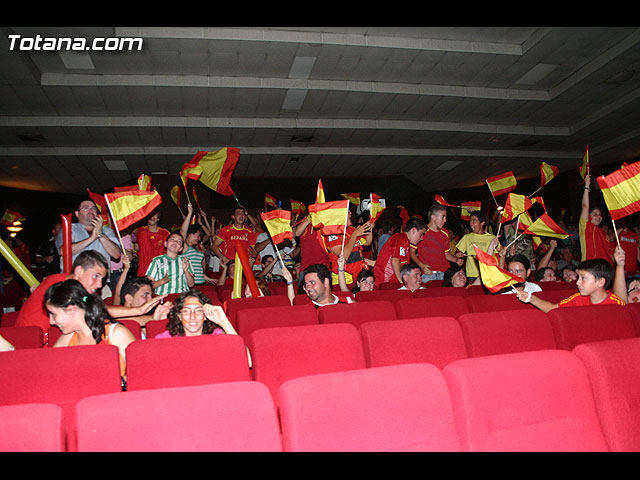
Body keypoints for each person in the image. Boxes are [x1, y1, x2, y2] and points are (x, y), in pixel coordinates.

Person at [15, 250, 165, 340]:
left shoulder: (77, 291)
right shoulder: (58, 285)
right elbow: (100, 311)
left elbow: (103, 316)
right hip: (30, 345)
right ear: (79, 271)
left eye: (102, 279)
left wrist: (151, 319)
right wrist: (139, 311)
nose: (99, 285)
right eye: (96, 276)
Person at [44, 279, 136, 382]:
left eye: (53, 314)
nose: (51, 322)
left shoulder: (116, 334)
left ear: (71, 310)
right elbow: (49, 372)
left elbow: (140, 374)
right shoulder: (68, 338)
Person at [153, 289, 252, 366]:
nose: (192, 316)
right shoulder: (165, 339)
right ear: (179, 315)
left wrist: (224, 321)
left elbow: (248, 361)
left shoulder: (217, 336)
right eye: (186, 311)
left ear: (205, 315)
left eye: (199, 311)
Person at [515, 246, 627, 312]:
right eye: (578, 277)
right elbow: (553, 309)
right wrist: (531, 298)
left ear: (600, 282)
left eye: (583, 278)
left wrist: (620, 265)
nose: (577, 282)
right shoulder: (578, 299)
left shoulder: (616, 304)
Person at [55, 199, 121, 271]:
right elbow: (63, 252)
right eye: (85, 208)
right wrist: (91, 239)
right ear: (77, 214)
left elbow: (116, 254)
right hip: (75, 276)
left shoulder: (107, 231)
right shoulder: (69, 229)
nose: (91, 210)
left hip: (99, 276)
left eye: (93, 208)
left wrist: (100, 234)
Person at [412, 204, 463, 283]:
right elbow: (411, 252)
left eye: (445, 217)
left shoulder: (445, 233)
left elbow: (446, 253)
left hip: (444, 273)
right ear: (433, 217)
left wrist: (456, 260)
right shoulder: (422, 232)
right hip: (428, 274)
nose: (445, 220)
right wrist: (421, 266)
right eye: (442, 217)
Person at [373, 218, 426, 287]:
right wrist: (402, 283)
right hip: (383, 281)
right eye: (421, 234)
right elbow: (395, 261)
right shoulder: (401, 238)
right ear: (413, 230)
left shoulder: (405, 242)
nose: (422, 238)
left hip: (389, 281)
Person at [323, 218, 373, 286]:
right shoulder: (332, 233)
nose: (350, 213)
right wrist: (354, 235)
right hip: (344, 279)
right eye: (348, 212)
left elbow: (367, 242)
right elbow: (343, 256)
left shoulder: (351, 229)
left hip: (358, 276)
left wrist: (369, 227)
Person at [579, 174, 614, 263]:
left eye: (600, 215)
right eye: (595, 214)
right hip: (590, 266)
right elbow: (585, 207)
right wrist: (586, 186)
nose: (598, 216)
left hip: (605, 268)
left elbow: (610, 255)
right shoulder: (585, 226)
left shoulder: (604, 234)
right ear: (589, 216)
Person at [180, 203, 217, 286]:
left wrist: (208, 278)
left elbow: (198, 269)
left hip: (201, 283)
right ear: (190, 234)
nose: (199, 238)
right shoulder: (184, 247)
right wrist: (190, 213)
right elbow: (182, 232)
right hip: (190, 284)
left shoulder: (196, 247)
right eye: (197, 236)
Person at [455, 212, 495, 282]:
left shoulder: (492, 238)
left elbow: (497, 256)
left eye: (474, 221)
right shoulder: (467, 237)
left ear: (482, 223)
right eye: (470, 221)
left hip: (488, 274)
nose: (471, 224)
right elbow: (457, 254)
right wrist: (459, 257)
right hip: (471, 275)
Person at [134, 209, 170, 277]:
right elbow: (135, 245)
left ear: (158, 218)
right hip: (144, 272)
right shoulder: (140, 231)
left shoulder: (165, 233)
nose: (152, 217)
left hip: (160, 272)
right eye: (150, 215)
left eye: (155, 215)